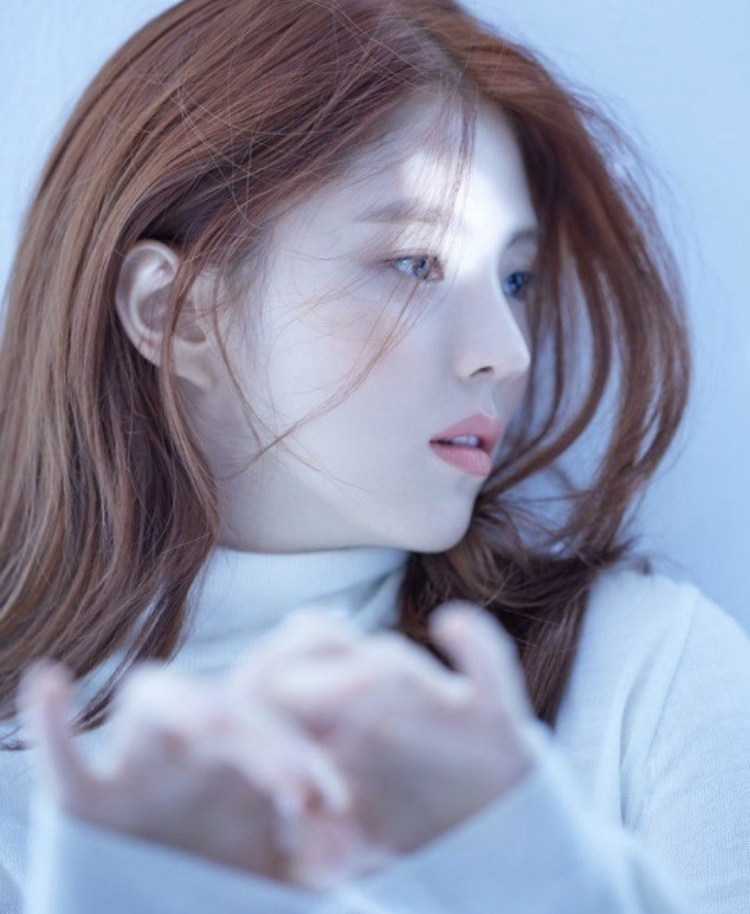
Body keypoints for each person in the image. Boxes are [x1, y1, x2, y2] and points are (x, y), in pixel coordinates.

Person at [0, 0, 748, 911]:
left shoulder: (646, 678)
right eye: (415, 263)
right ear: (177, 312)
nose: (507, 351)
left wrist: (528, 875)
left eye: (516, 279)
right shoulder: (26, 799)